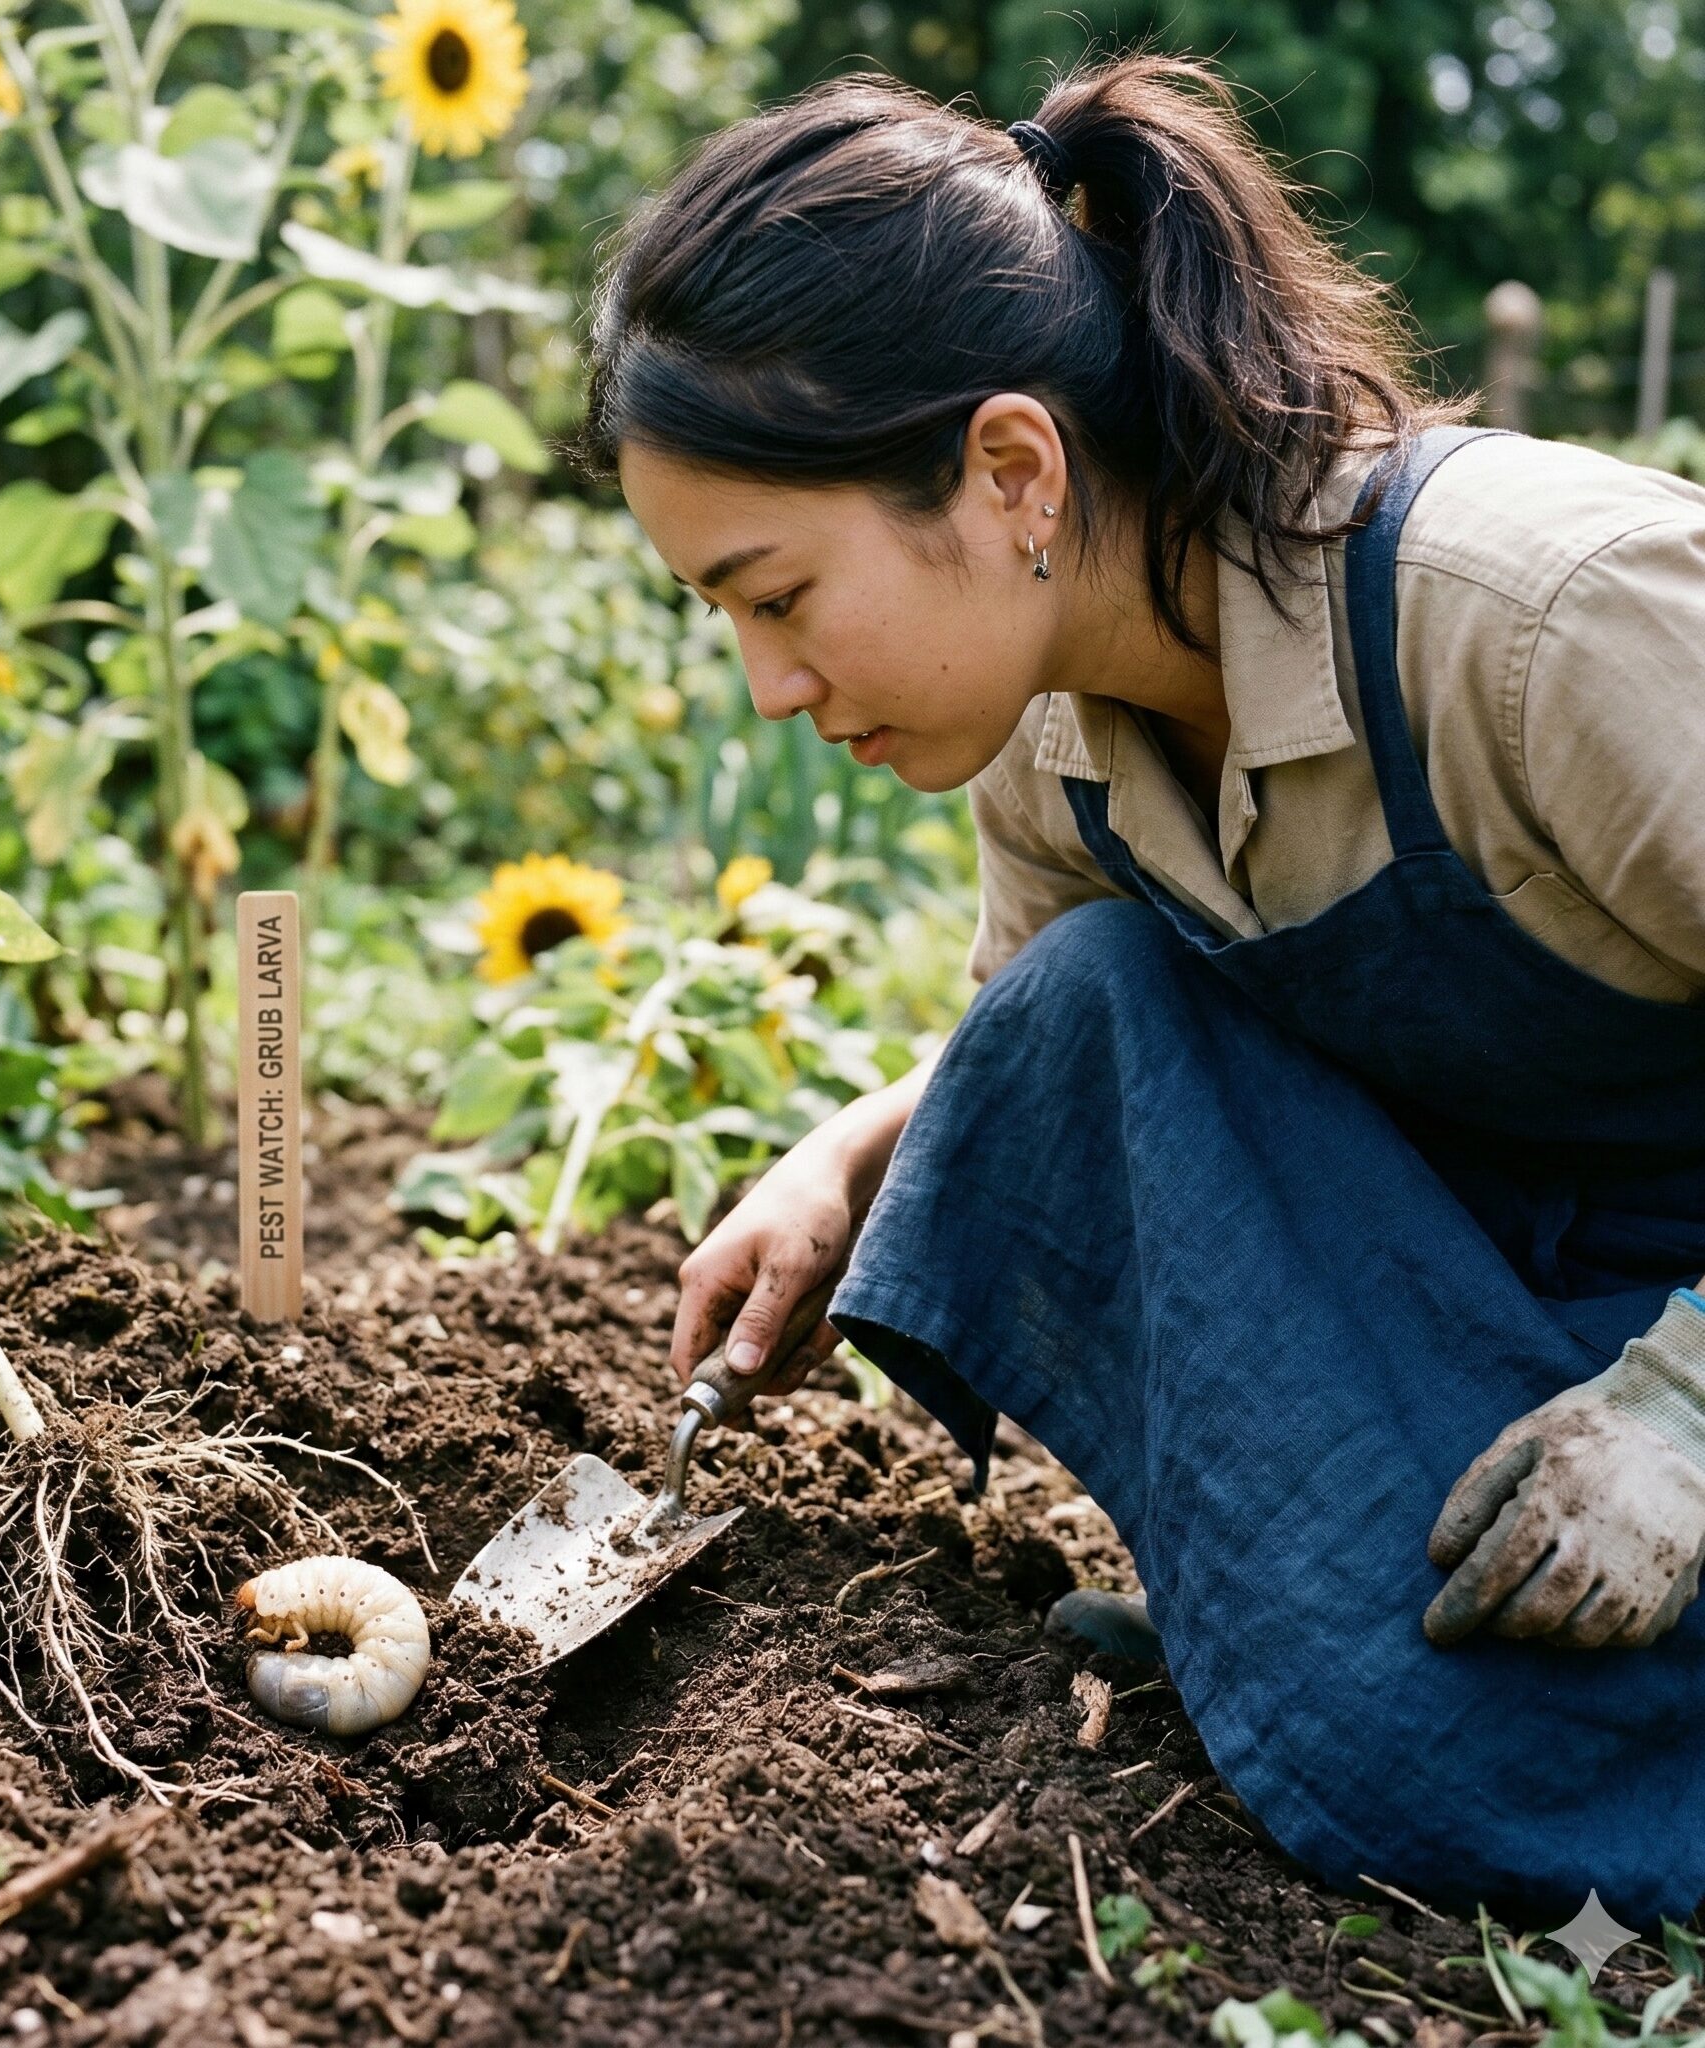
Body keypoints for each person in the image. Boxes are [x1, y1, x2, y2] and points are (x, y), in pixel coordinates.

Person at [563, 52, 1705, 1927]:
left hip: (1654, 1359)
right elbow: (1050, 1053)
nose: (769, 684)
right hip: (1516, 1319)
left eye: (779, 594)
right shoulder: (1051, 742)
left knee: (1407, 1750)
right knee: (1096, 1001)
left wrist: (1678, 1417)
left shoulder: (1539, 622)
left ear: (1011, 470)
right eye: (726, 619)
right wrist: (844, 1163)